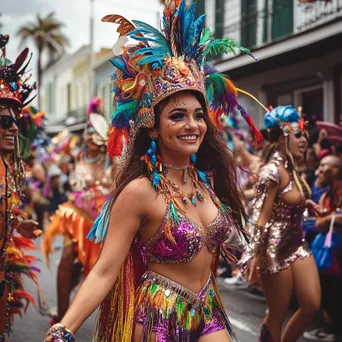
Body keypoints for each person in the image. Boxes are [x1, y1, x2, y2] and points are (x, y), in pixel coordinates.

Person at [44, 1, 264, 341]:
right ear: (153, 126)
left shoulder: (206, 180)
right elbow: (104, 270)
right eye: (177, 116)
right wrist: (64, 329)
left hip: (208, 310)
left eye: (198, 114)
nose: (192, 125)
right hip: (160, 318)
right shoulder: (140, 192)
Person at [248, 105, 322, 342]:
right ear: (282, 137)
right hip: (274, 248)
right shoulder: (271, 171)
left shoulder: (292, 167)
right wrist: (253, 254)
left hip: (297, 242)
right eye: (298, 134)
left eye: (305, 135)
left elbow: (288, 198)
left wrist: (304, 203)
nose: (304, 140)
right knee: (277, 314)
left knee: (311, 304)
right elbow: (260, 215)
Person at [42, 98, 113, 324]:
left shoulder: (112, 160)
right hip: (75, 217)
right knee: (66, 260)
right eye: (87, 131)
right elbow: (50, 159)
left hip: (100, 223)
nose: (90, 136)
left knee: (91, 270)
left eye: (96, 132)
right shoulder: (77, 155)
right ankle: (62, 316)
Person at [0, 35, 43, 340]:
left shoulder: (9, 166)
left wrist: (18, 226)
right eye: (4, 122)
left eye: (15, 120)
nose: (14, 127)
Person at [304, 163, 342, 341]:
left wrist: (331, 219)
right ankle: (328, 327)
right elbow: (319, 223)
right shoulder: (327, 195)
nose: (321, 169)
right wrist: (333, 218)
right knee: (326, 287)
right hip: (330, 249)